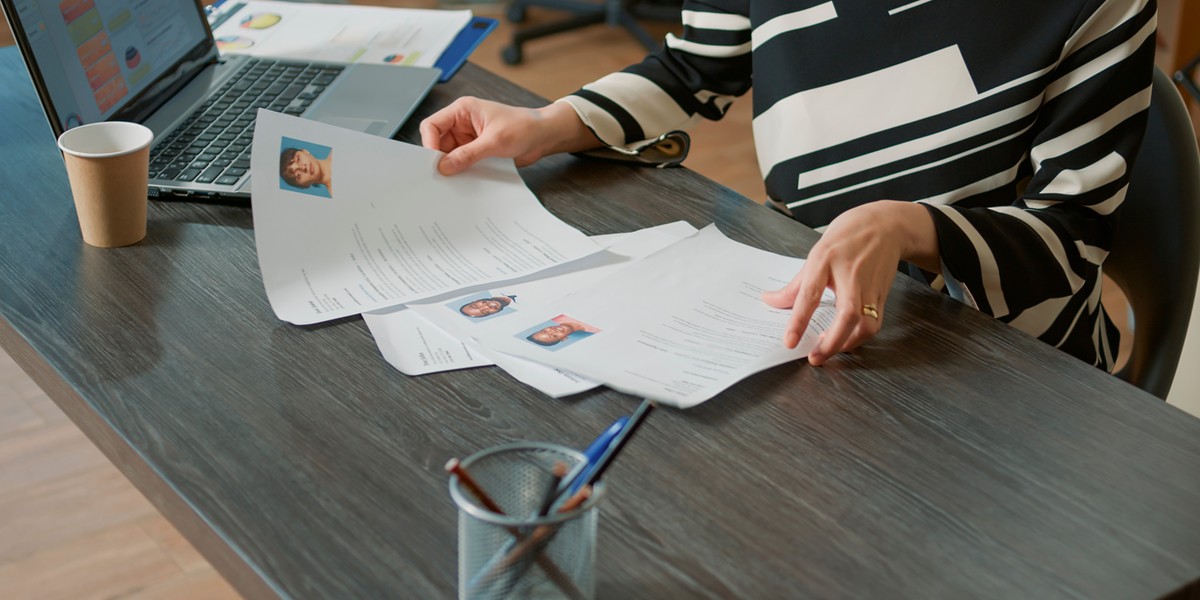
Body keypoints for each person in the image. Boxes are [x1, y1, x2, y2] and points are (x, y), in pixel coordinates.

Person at [420, 0, 1156, 371]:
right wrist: (547, 124)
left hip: (1003, 360)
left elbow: (1072, 236)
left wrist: (907, 227)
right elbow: (695, 68)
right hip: (798, 314)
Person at [526, 315, 597, 346]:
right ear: (564, 339)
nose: (553, 331)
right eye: (554, 335)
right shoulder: (594, 330)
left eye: (545, 331)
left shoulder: (558, 316)